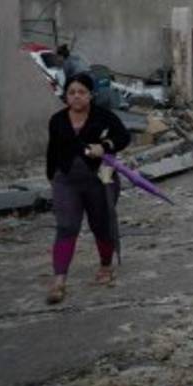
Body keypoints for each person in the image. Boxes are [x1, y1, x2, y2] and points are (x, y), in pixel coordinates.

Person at [45, 72, 131, 305]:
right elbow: (52, 151)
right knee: (66, 226)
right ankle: (59, 280)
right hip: (67, 181)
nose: (76, 97)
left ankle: (105, 265)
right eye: (71, 92)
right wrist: (52, 177)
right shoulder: (57, 120)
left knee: (101, 224)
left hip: (99, 180)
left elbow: (123, 137)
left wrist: (105, 146)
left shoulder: (104, 117)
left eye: (81, 92)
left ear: (90, 95)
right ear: (66, 96)